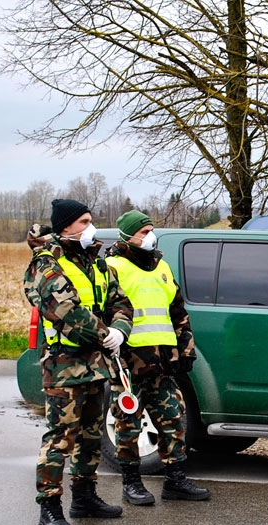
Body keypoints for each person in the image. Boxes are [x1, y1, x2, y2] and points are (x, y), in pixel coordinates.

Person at [24, 199, 134, 525]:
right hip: (64, 369)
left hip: (95, 366)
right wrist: (106, 336)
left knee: (90, 436)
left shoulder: (98, 265)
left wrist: (121, 330)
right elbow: (68, 311)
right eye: (84, 221)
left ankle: (84, 498)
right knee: (60, 439)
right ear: (66, 227)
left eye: (91, 220)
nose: (91, 227)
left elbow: (121, 302)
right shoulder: (46, 265)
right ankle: (50, 507)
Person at [105, 210, 210, 505]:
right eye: (143, 231)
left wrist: (185, 349)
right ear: (127, 235)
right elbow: (106, 312)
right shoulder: (112, 267)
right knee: (128, 424)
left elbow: (178, 312)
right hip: (129, 363)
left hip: (163, 362)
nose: (150, 236)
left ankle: (175, 480)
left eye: (151, 230)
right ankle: (131, 483)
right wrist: (115, 351)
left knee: (173, 420)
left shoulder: (161, 266)